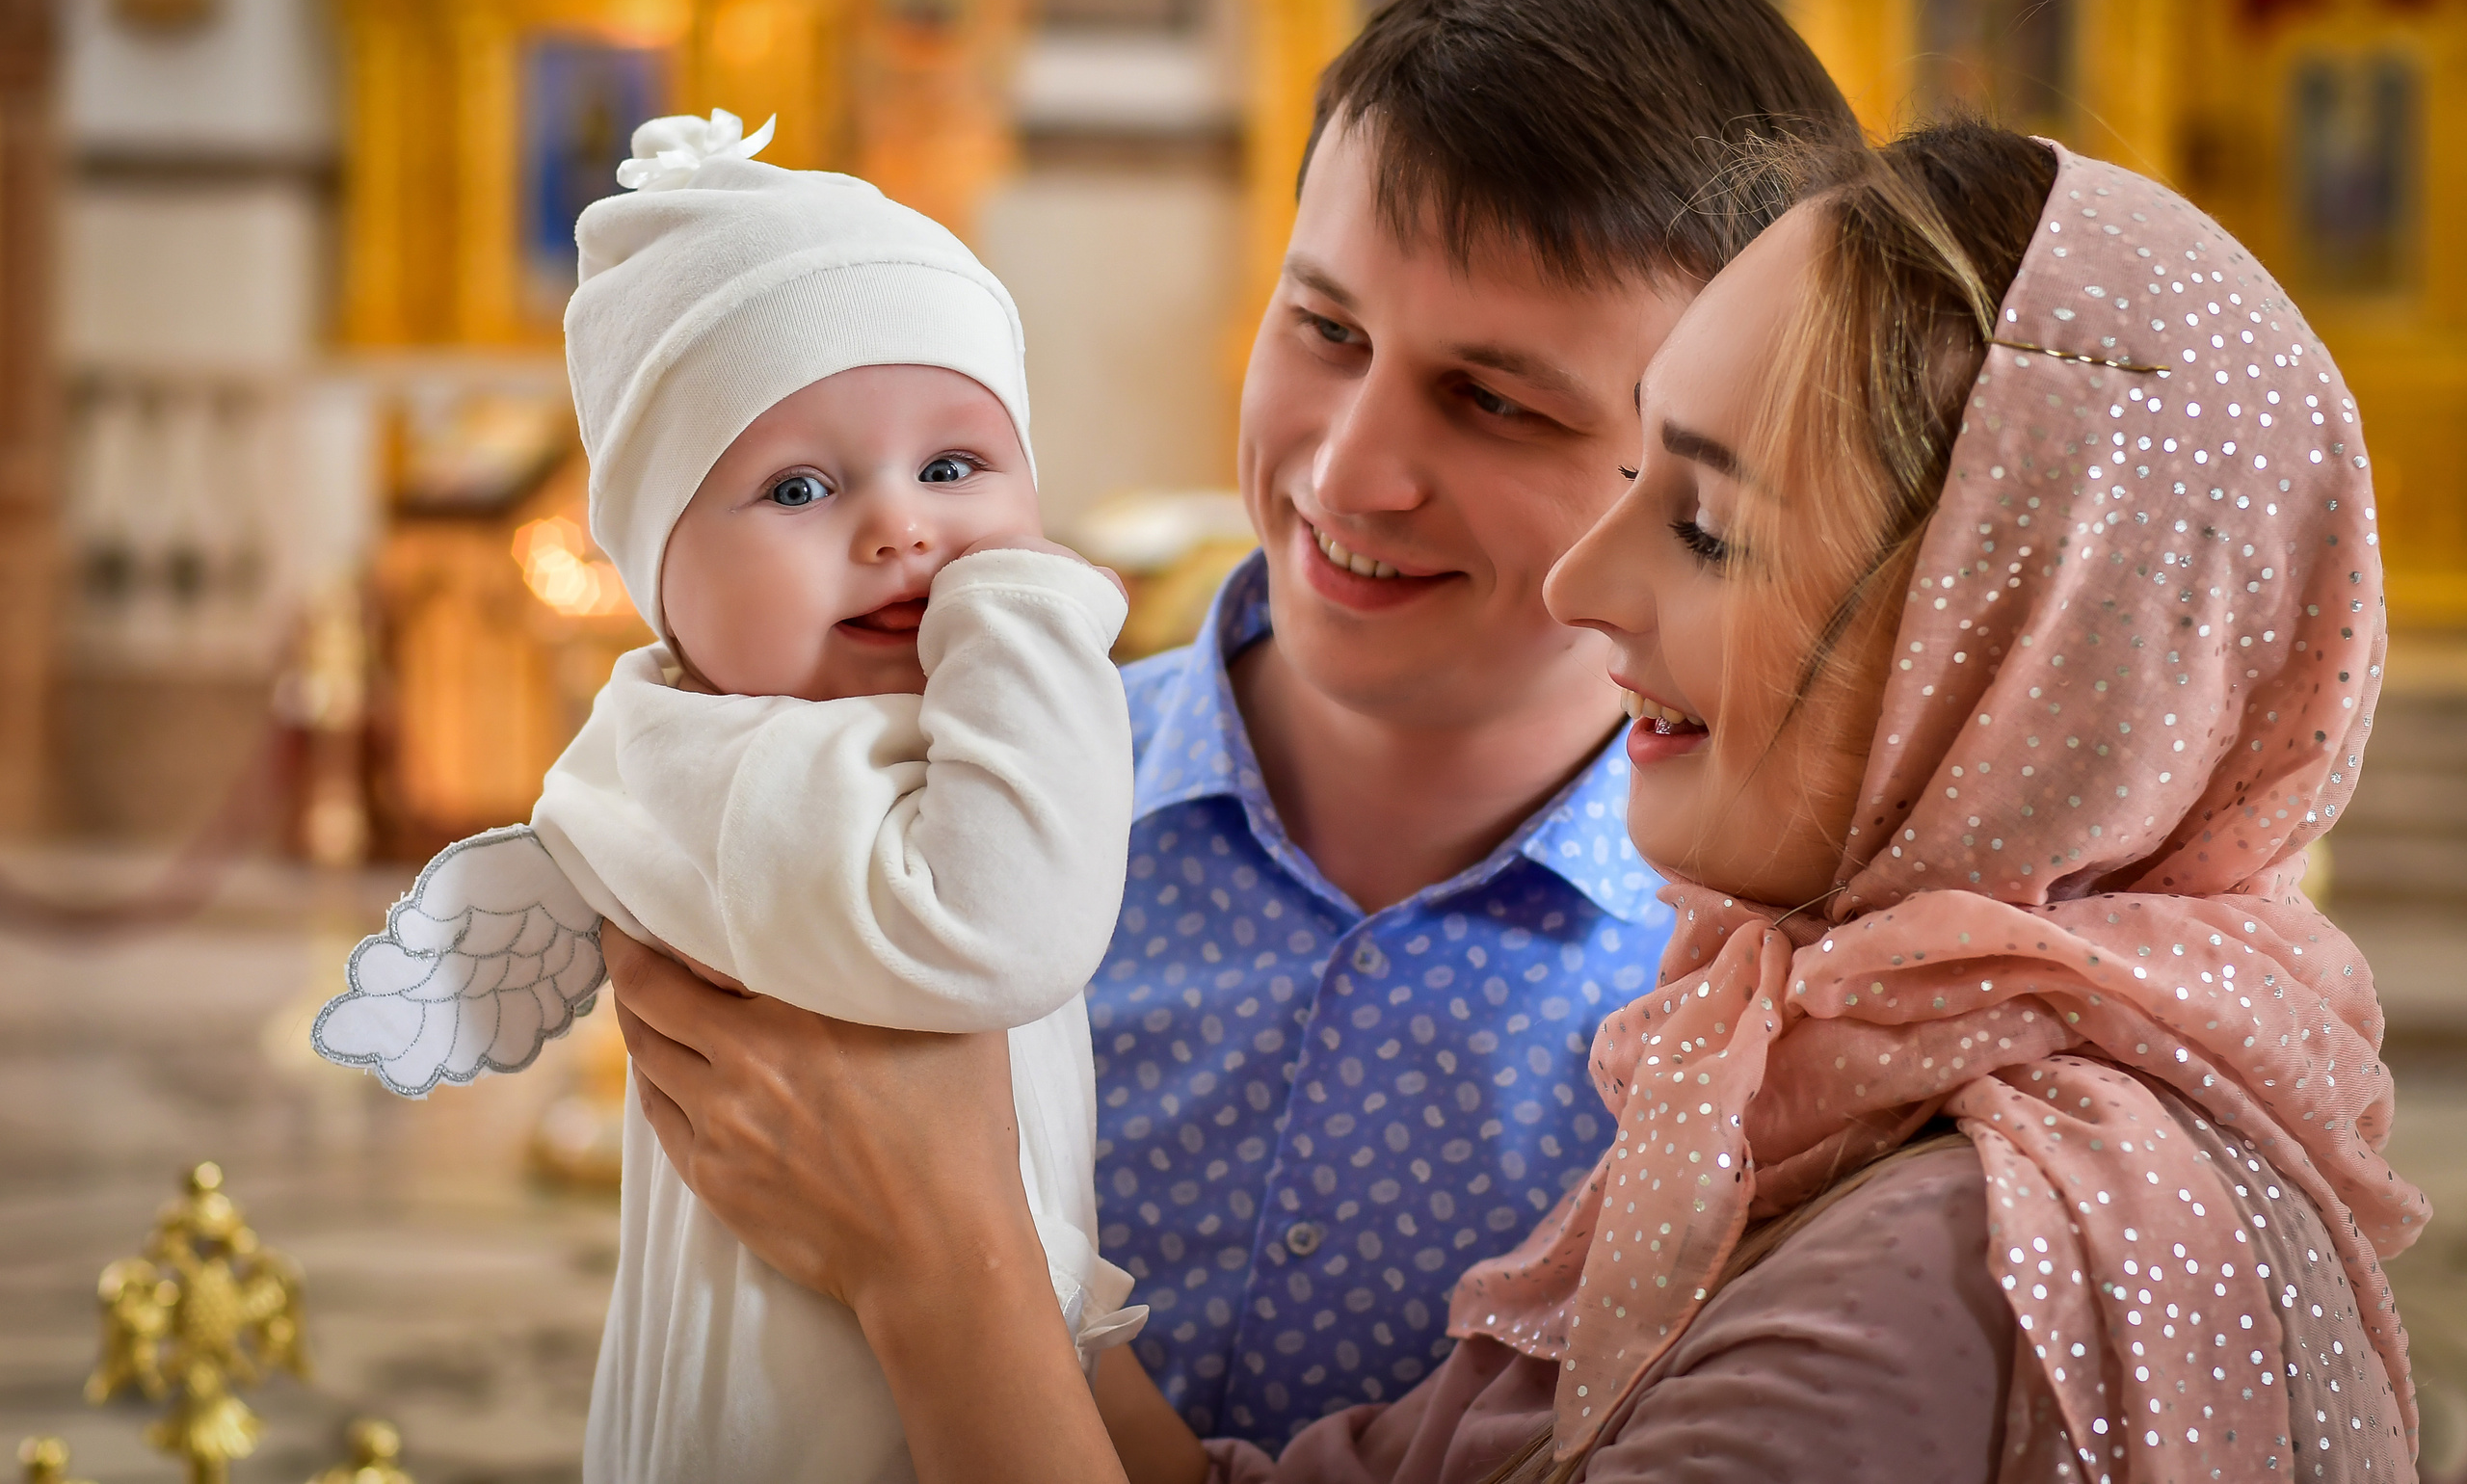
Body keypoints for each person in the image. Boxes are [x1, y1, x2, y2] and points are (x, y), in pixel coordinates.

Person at [603, 118, 2427, 1483]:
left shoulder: (1950, 1270)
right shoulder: (1795, 1055)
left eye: (1701, 515)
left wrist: (948, 1264)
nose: (1582, 589)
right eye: (1321, 325)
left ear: (2028, 652)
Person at [1098, 0, 1870, 1444]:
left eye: (1496, 403)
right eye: (1326, 330)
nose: (1347, 472)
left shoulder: (1769, 1010)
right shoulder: (975, 820)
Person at [314, 111, 1146, 1484]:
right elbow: (1016, 933)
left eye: (955, 467)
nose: (903, 529)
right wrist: (1035, 609)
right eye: (800, 487)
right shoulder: (764, 772)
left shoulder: (703, 746)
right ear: (665, 585)